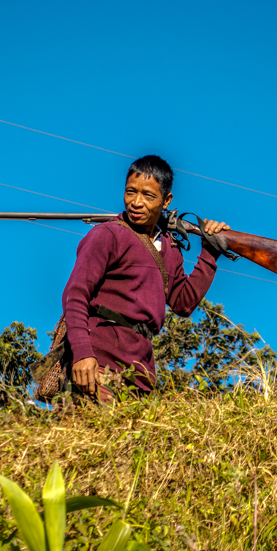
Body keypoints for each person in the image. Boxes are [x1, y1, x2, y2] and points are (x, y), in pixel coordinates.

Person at [60, 155, 229, 401]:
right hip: (98, 366)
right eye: (130, 192)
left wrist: (211, 252)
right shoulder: (107, 235)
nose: (136, 202)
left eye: (148, 196)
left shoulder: (170, 249)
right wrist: (83, 354)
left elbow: (183, 302)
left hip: (141, 375)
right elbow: (75, 295)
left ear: (166, 200)